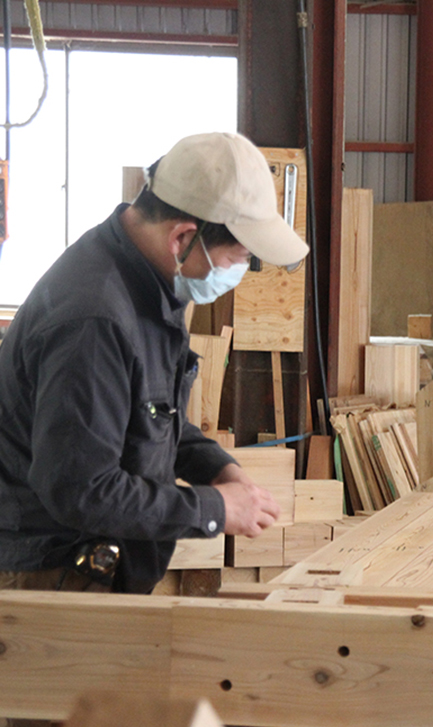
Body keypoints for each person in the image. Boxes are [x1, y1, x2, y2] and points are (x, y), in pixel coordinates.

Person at [0, 132, 309, 594]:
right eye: (239, 258)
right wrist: (214, 509)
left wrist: (219, 469)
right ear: (183, 237)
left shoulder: (147, 282)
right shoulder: (95, 319)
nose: (239, 273)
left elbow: (152, 415)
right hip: (55, 573)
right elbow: (81, 489)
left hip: (95, 560)